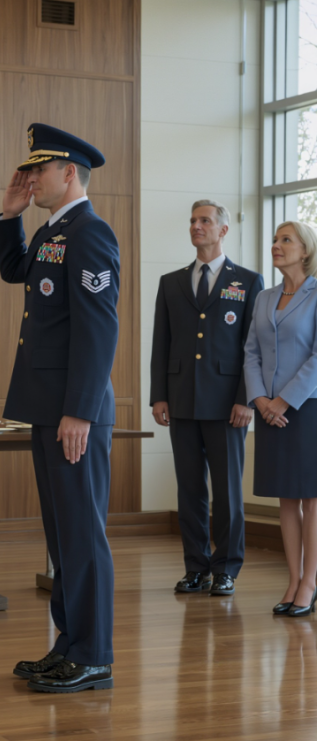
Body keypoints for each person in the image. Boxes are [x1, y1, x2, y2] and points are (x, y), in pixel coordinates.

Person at [0, 123, 119, 693]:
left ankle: (92, 655)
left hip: (73, 411)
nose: (30, 178)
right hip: (50, 406)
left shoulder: (90, 232)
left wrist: (81, 411)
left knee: (82, 534)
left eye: (38, 170)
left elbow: (99, 328)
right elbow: (15, 270)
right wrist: (9, 215)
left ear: (69, 173)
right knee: (62, 534)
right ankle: (68, 644)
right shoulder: (53, 231)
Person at [150, 200, 264, 596]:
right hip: (181, 400)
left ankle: (226, 567)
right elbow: (161, 343)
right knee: (190, 490)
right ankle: (196, 567)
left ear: (223, 230)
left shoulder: (247, 282)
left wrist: (246, 399)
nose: (196, 226)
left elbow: (252, 347)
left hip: (227, 404)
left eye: (205, 221)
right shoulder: (171, 282)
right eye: (193, 221)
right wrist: (159, 395)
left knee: (228, 491)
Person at [243, 220, 317, 617]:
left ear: (305, 250)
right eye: (274, 239)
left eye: (286, 240)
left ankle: (310, 582)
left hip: (306, 408)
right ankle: (293, 579)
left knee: (312, 499)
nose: (276, 245)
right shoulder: (264, 297)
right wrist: (260, 399)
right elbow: (250, 353)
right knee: (286, 498)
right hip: (269, 410)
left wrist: (284, 401)